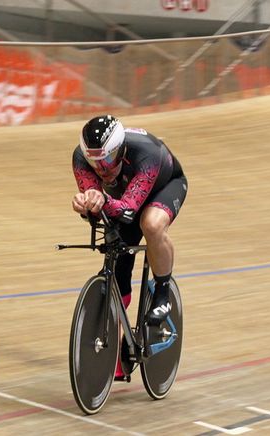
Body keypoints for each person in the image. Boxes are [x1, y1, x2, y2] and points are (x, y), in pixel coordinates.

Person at [71, 114, 187, 379]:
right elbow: (96, 202)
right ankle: (118, 350)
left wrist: (100, 201)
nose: (101, 169)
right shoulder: (81, 158)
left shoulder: (145, 154)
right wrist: (85, 205)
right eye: (94, 162)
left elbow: (127, 210)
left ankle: (162, 293)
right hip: (123, 197)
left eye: (108, 160)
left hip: (165, 186)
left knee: (151, 224)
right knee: (118, 254)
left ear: (121, 149)